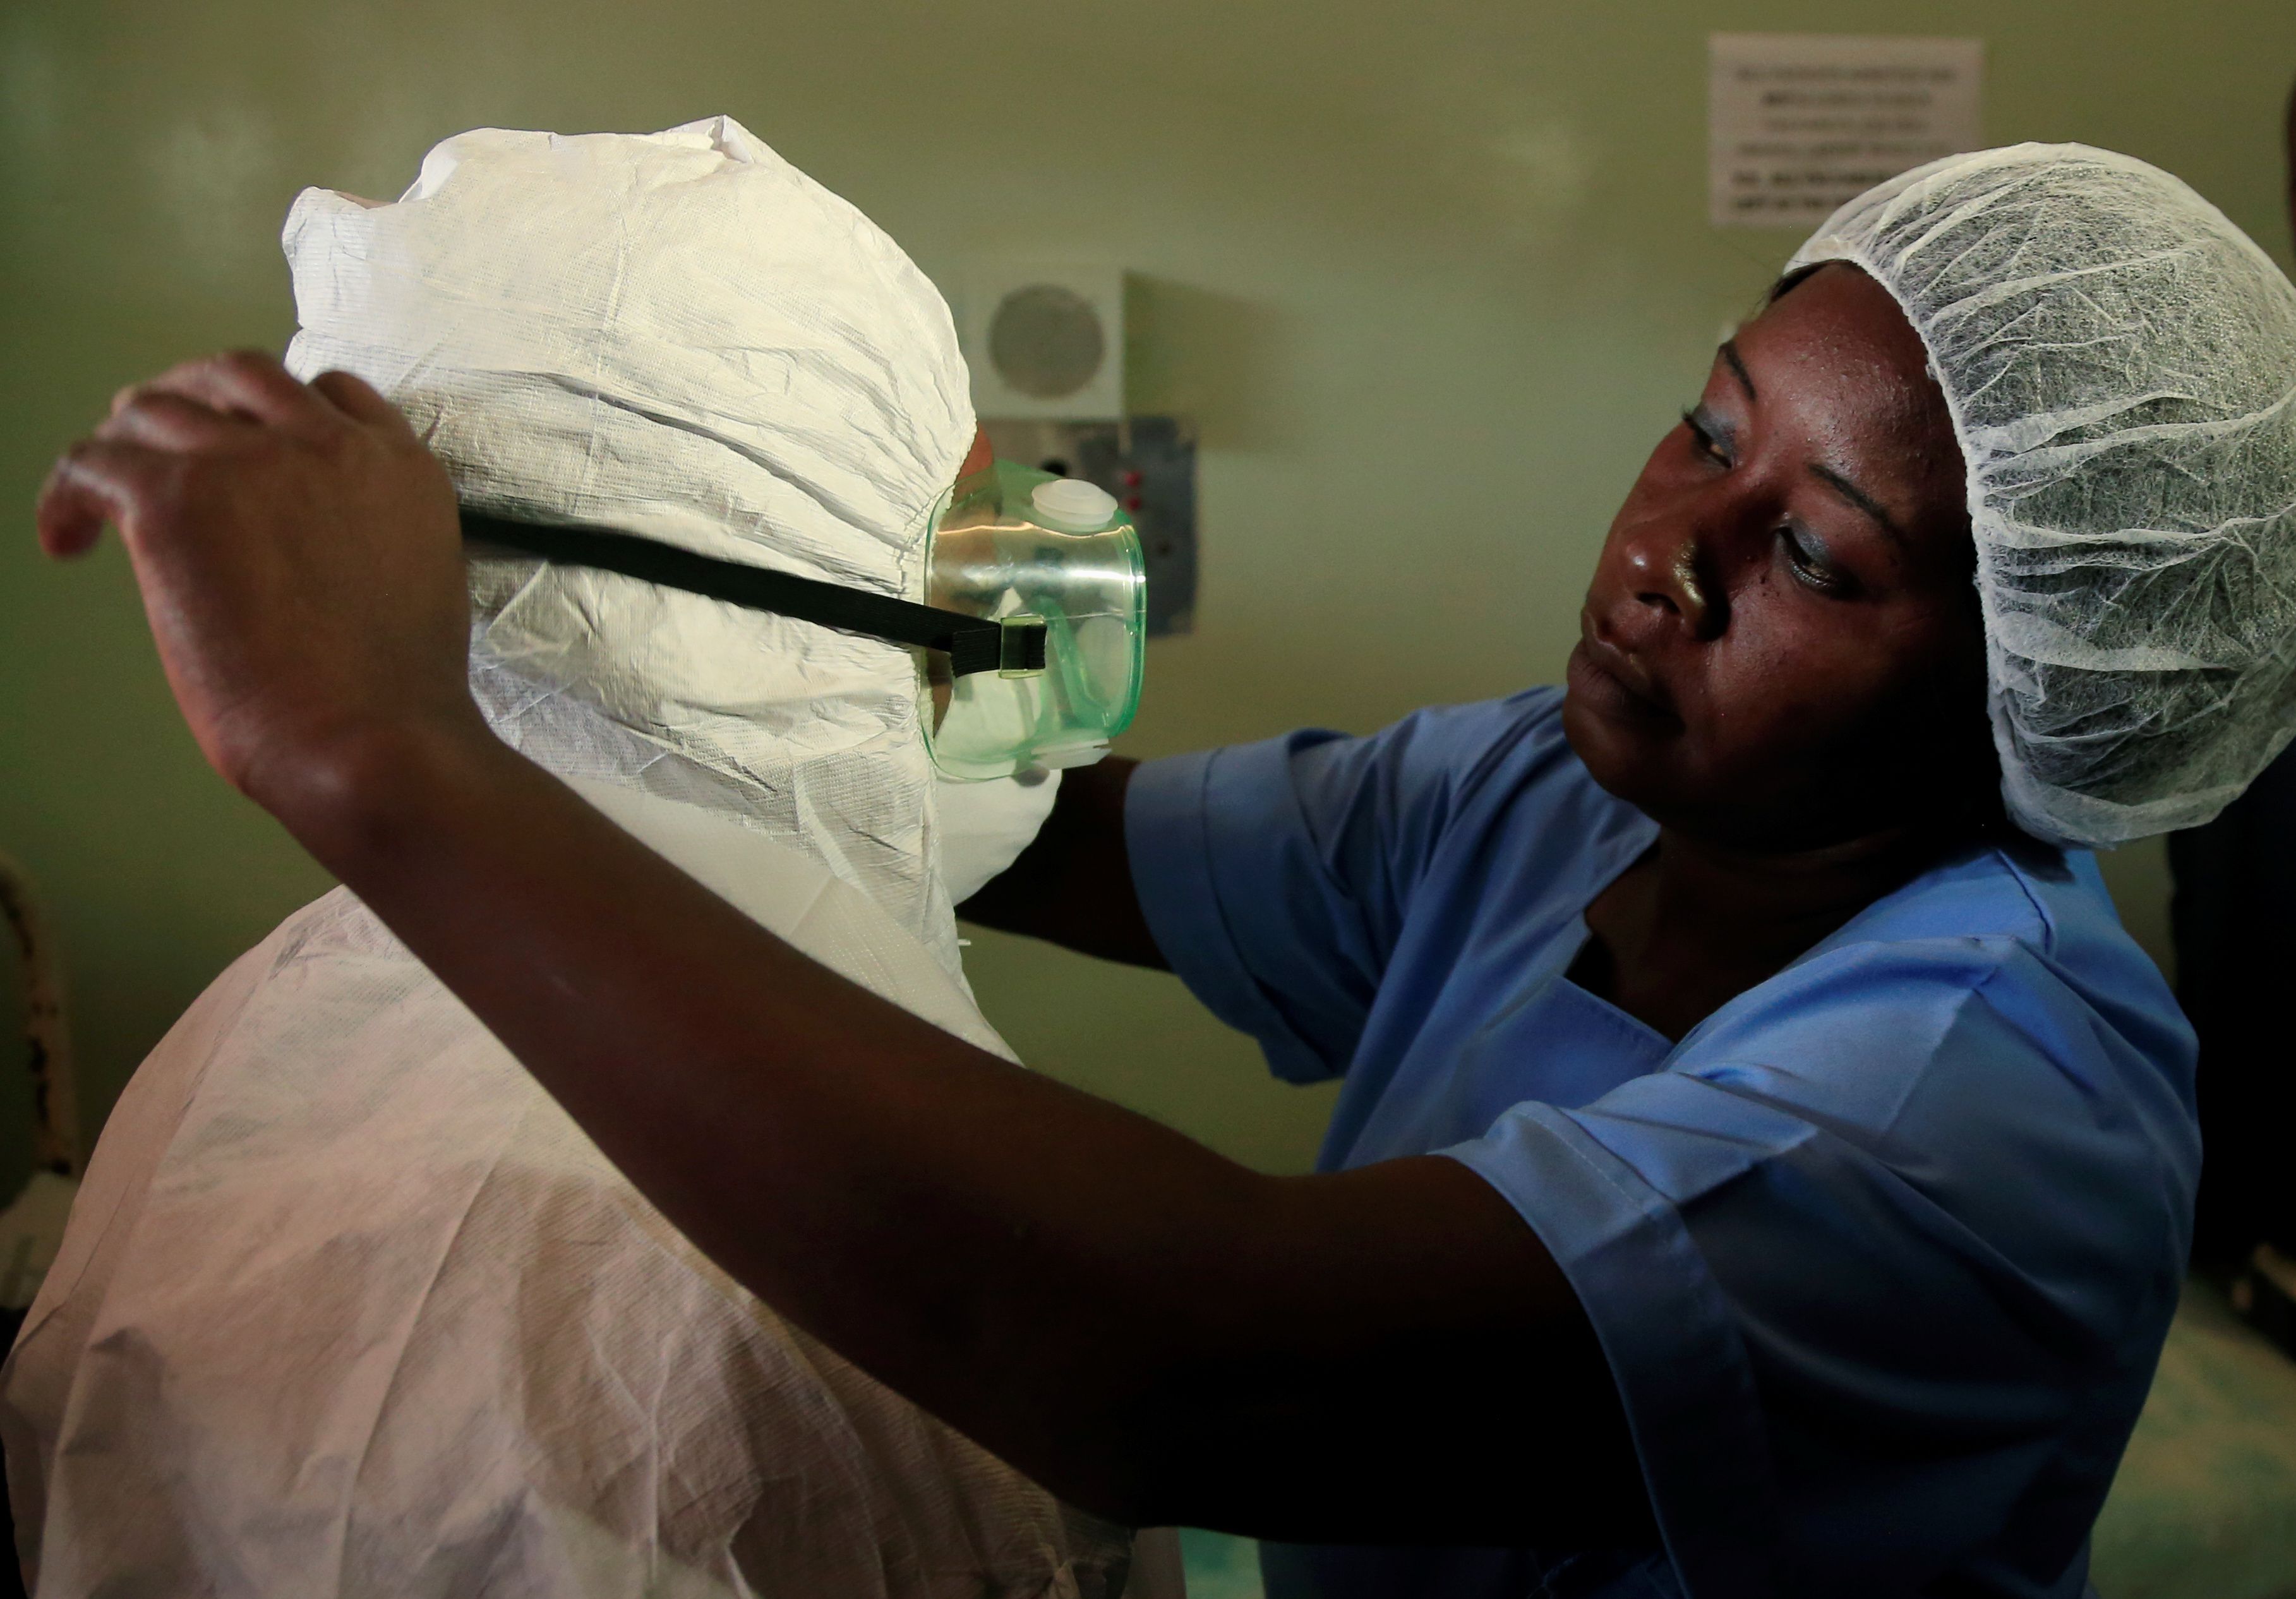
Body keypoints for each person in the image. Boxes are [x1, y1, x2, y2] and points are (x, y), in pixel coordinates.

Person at [30, 143, 2296, 1598]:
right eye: (1705, 427)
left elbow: (1166, 1352)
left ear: (2035, 688)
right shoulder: (1560, 792)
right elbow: (1044, 824)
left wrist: (386, 753)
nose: (1662, 556)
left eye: (1803, 547)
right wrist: (771, 658)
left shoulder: (1980, 1118)